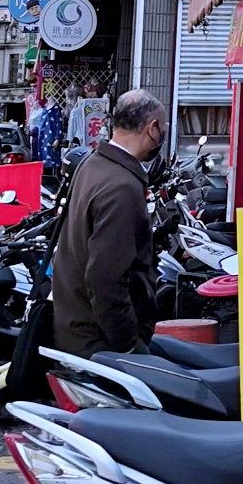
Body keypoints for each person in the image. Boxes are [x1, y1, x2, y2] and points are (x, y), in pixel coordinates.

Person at [52, 88, 166, 356]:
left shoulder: (91, 164)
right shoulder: (122, 187)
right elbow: (106, 278)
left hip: (74, 327)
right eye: (162, 129)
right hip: (99, 341)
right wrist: (126, 344)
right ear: (152, 128)